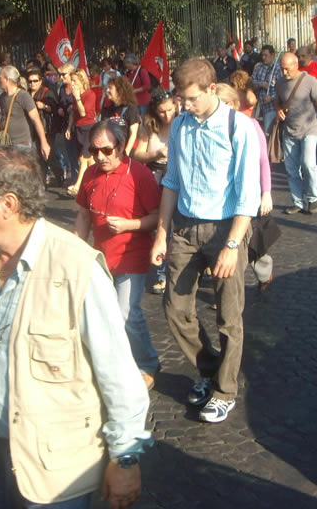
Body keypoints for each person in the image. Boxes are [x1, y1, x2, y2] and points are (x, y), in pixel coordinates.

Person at [0, 146, 151, 508]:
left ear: (8, 204)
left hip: (58, 473)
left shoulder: (77, 268)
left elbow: (120, 374)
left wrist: (125, 458)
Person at [151, 59, 261, 424]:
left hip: (225, 229)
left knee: (228, 316)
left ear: (212, 89)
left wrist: (232, 246)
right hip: (185, 227)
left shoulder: (238, 127)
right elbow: (171, 181)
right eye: (181, 99)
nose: (184, 106)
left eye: (191, 99)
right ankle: (211, 369)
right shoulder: (181, 125)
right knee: (175, 309)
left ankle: (225, 390)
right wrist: (162, 234)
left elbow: (248, 193)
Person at [75, 120, 161, 389]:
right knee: (102, 314)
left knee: (127, 313)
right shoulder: (90, 175)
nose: (100, 157)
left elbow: (158, 217)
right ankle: (115, 362)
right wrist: (76, 248)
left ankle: (147, 363)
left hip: (132, 254)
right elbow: (83, 216)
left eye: (106, 150)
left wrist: (129, 225)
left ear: (122, 147)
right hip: (102, 257)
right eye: (94, 151)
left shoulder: (140, 175)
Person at [215, 84, 276, 293]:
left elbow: (262, 161)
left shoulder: (249, 124)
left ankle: (264, 271)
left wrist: (266, 193)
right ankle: (223, 288)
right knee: (220, 241)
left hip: (246, 193)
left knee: (249, 241)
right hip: (222, 196)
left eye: (223, 104)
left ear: (233, 104)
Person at [132, 89, 179, 294]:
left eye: (170, 110)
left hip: (178, 176)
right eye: (162, 112)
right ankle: (161, 274)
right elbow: (137, 154)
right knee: (161, 225)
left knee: (179, 227)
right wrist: (156, 154)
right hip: (156, 176)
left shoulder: (183, 122)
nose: (167, 115)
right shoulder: (149, 126)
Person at [276, 53, 317, 214]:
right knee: (291, 169)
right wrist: (278, 109)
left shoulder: (310, 81)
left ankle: (312, 197)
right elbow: (278, 101)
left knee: (308, 164)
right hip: (289, 130)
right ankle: (298, 202)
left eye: (287, 69)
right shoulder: (280, 82)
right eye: (282, 69)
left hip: (309, 129)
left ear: (296, 65)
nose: (284, 72)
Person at [0, 65, 51, 159]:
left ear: (7, 79)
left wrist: (44, 142)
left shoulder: (23, 96)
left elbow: (36, 119)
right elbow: (4, 119)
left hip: (23, 145)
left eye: (0, 78)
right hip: (7, 144)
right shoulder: (2, 97)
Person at [63, 66, 98, 196]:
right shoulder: (75, 94)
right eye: (71, 80)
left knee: (83, 158)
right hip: (78, 128)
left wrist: (78, 98)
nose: (72, 83)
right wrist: (69, 127)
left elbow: (83, 113)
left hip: (89, 128)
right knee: (90, 160)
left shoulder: (90, 94)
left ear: (82, 81)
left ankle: (78, 186)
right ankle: (94, 184)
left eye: (75, 80)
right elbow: (73, 112)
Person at [28, 67, 65, 186]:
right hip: (32, 128)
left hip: (47, 128)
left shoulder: (47, 92)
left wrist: (43, 106)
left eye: (35, 81)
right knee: (37, 155)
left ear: (40, 81)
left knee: (48, 154)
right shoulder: (27, 93)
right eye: (30, 81)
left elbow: (54, 108)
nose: (32, 83)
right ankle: (42, 181)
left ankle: (59, 174)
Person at [103, 75, 142, 155]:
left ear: (119, 91)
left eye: (110, 88)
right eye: (107, 88)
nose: (107, 90)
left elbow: (133, 133)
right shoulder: (108, 108)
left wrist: (126, 152)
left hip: (125, 152)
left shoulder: (131, 108)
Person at [250, 45, 283, 132]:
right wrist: (261, 84)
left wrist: (271, 97)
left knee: (268, 131)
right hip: (258, 106)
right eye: (262, 55)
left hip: (271, 107)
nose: (263, 58)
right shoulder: (259, 68)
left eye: (266, 55)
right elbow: (252, 80)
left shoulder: (278, 69)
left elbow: (282, 89)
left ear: (272, 55)